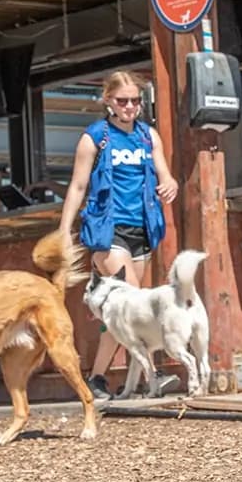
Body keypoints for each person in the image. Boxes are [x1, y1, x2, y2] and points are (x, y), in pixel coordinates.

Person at [57, 71, 177, 401]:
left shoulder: (147, 136)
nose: (129, 107)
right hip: (108, 231)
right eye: (122, 101)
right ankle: (155, 375)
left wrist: (170, 184)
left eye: (135, 101)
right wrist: (64, 230)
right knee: (136, 302)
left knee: (120, 313)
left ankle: (96, 378)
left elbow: (166, 174)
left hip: (142, 228)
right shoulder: (95, 137)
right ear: (108, 101)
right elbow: (78, 186)